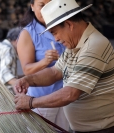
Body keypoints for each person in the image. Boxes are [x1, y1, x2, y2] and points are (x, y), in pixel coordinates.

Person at [14, 0, 114, 132]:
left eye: (54, 32)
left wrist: (31, 102)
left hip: (104, 128)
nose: (55, 39)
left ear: (68, 24)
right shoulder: (75, 44)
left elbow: (70, 94)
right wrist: (28, 80)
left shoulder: (93, 46)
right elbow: (55, 72)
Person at [17, 0, 68, 130]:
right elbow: (27, 69)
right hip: (40, 100)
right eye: (42, 5)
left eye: (50, 5)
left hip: (66, 96)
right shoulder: (27, 34)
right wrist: (45, 61)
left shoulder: (65, 26)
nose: (47, 10)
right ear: (32, 7)